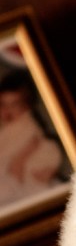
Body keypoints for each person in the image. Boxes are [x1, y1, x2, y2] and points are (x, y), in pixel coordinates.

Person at [0, 69, 62, 204]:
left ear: (27, 106)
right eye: (3, 104)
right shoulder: (7, 128)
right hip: (13, 178)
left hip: (27, 179)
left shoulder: (27, 125)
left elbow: (44, 145)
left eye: (14, 105)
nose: (7, 111)